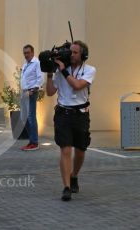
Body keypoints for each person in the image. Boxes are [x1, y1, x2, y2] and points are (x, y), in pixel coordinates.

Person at [46, 40, 96, 201]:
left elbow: (77, 86)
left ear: (83, 55)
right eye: (71, 52)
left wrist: (63, 72)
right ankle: (66, 186)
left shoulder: (89, 70)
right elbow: (49, 92)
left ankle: (74, 175)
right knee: (65, 149)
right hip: (63, 114)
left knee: (80, 151)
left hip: (81, 114)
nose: (71, 55)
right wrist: (49, 73)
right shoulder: (61, 70)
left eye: (75, 52)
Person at [20, 44, 43, 151]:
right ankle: (31, 140)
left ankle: (34, 142)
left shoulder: (37, 63)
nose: (26, 55)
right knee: (23, 118)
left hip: (31, 93)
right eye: (25, 53)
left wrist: (32, 90)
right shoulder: (25, 64)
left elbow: (40, 79)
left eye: (28, 52)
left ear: (33, 53)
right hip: (24, 92)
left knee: (31, 117)